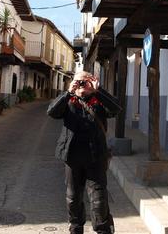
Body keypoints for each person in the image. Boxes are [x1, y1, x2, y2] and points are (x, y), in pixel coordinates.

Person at [47, 71, 122, 234]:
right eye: (78, 82)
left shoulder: (98, 101)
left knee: (98, 199)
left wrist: (98, 91)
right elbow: (52, 112)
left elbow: (116, 109)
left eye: (85, 82)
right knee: (73, 197)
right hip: (72, 157)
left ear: (92, 83)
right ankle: (75, 228)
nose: (81, 85)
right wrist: (68, 92)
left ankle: (102, 229)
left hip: (96, 157)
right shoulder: (68, 100)